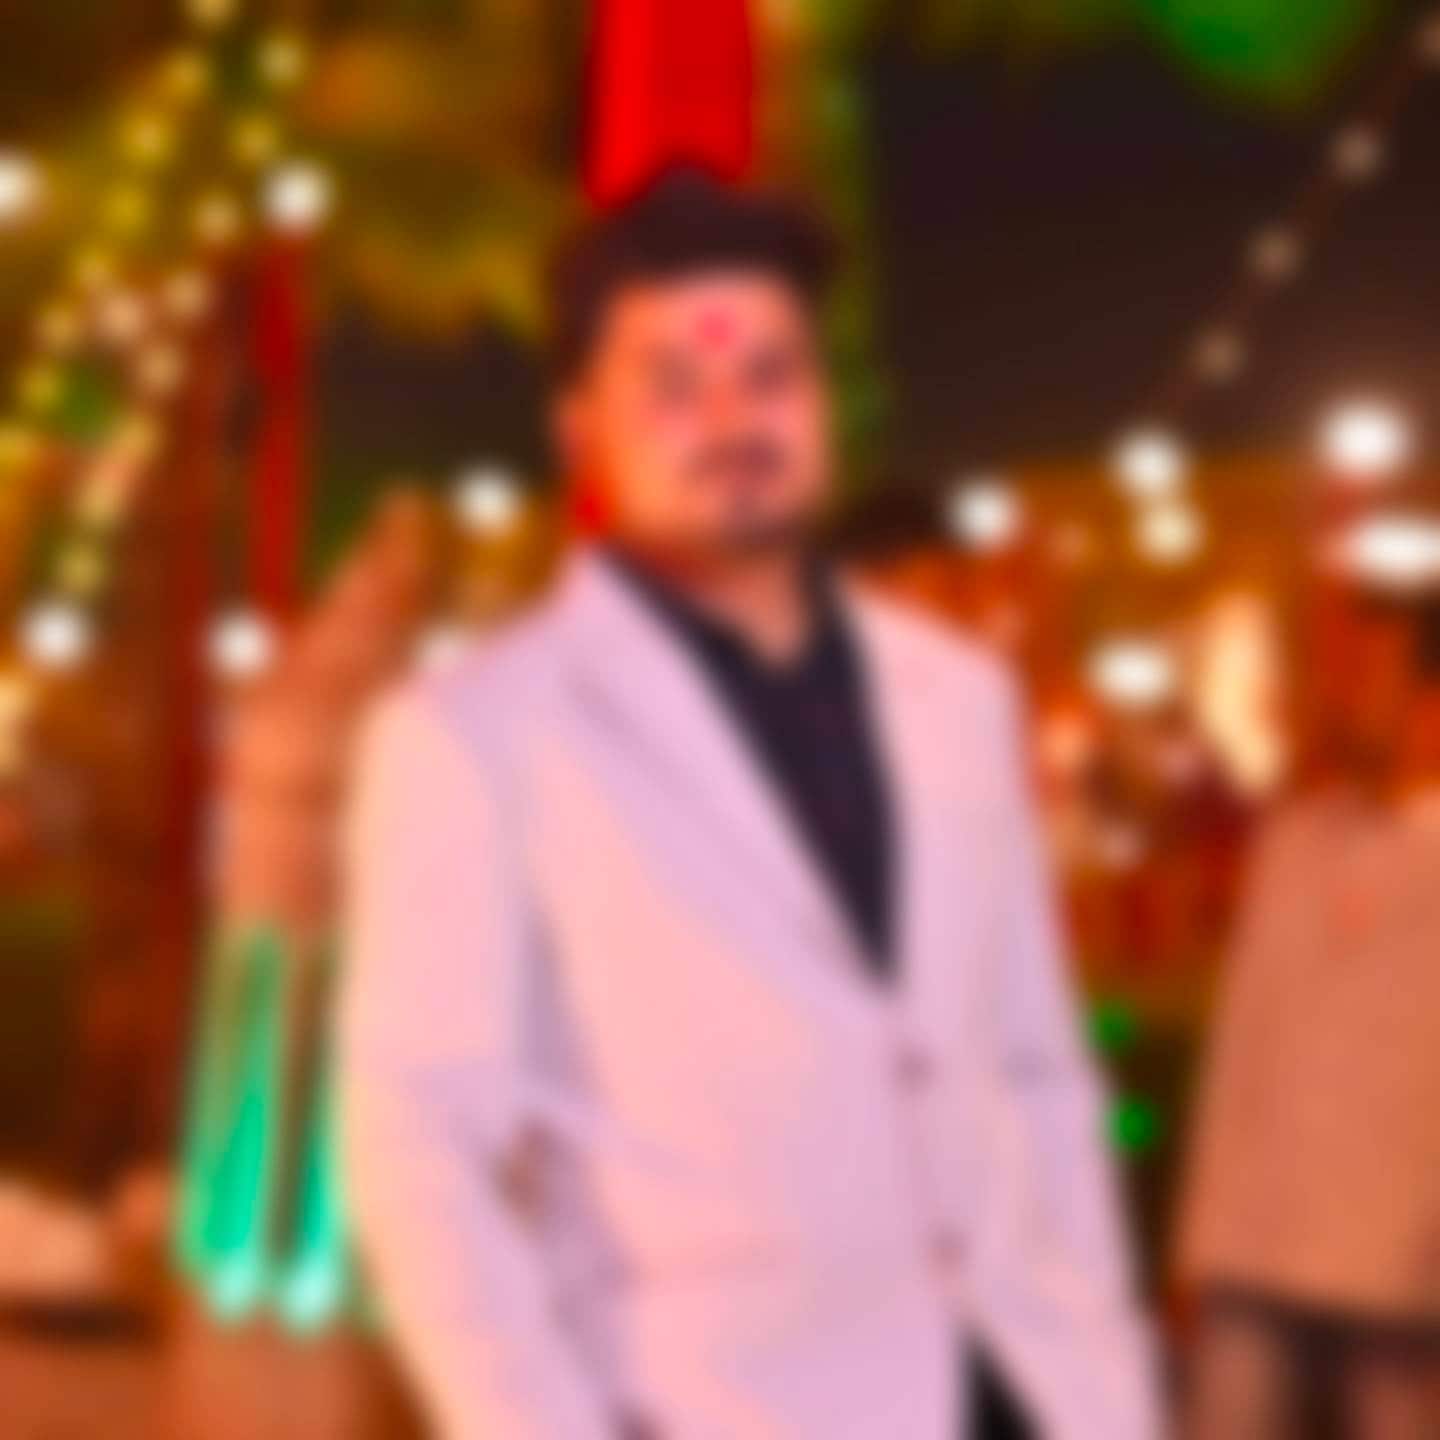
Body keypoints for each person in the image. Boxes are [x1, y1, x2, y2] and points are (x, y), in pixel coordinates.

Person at [339, 168, 1159, 1440]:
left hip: (1022, 1396)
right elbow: (416, 1152)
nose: (733, 419)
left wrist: (1110, 1381)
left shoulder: (958, 695)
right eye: (673, 385)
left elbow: (1037, 1073)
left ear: (824, 405)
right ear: (579, 428)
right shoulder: (478, 736)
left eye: (772, 375)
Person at [1178, 581, 1440, 1439]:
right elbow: (1240, 1051)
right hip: (1259, 1248)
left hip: (1404, 1265)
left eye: (1368, 673)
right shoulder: (1293, 843)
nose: (1341, 694)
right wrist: (1200, 1239)